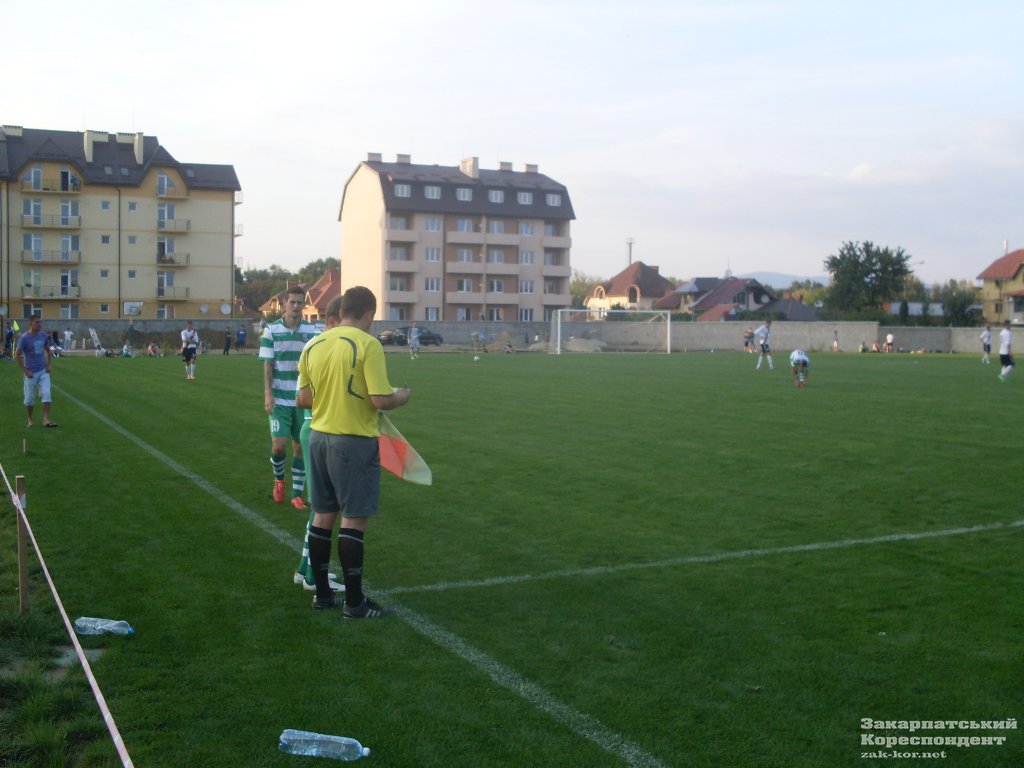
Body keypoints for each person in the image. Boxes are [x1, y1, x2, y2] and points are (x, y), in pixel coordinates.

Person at [296, 286, 411, 617]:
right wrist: (401, 396)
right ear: (369, 314)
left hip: (318, 437)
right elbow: (379, 399)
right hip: (353, 441)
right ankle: (356, 603)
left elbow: (303, 398)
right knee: (354, 519)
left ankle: (321, 596)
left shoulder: (314, 343)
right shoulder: (368, 344)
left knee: (322, 515)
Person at [294, 295, 344, 593]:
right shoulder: (330, 346)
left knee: (320, 507)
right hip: (320, 428)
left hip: (311, 425)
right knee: (324, 508)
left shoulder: (315, 345)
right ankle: (315, 575)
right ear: (333, 321)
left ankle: (305, 570)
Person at [260, 285, 318, 510]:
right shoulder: (271, 331)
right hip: (279, 398)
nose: (295, 306)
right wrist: (267, 394)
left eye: (299, 302)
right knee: (278, 445)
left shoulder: (312, 333)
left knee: (299, 447)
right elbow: (268, 365)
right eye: (291, 302)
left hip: (302, 399)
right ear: (284, 303)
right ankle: (279, 479)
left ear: (303, 304)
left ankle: (296, 494)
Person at [15, 314, 58, 428]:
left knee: (47, 394)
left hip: (43, 371)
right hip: (31, 372)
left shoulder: (43, 335)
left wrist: (49, 365)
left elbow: (48, 351)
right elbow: (17, 355)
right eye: (37, 322)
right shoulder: (24, 338)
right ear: (31, 323)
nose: (39, 324)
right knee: (29, 399)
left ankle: (46, 420)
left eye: (40, 322)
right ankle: (30, 420)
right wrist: (25, 371)